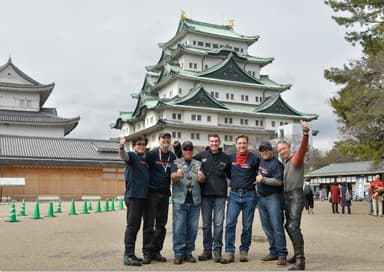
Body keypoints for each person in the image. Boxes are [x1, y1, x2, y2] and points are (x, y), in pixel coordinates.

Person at [142, 132, 180, 264]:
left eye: (168, 139)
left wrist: (178, 148)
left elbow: (180, 165)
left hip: (165, 194)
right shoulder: (152, 154)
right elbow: (142, 168)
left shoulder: (172, 156)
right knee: (148, 224)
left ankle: (156, 251)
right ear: (159, 140)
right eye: (163, 138)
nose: (166, 141)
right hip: (151, 193)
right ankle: (147, 252)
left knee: (161, 225)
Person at [276, 120, 309, 270]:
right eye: (279, 150)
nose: (282, 151)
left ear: (289, 148)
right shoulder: (285, 164)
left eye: (283, 148)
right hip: (287, 196)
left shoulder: (296, 159)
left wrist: (306, 133)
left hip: (296, 195)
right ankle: (297, 255)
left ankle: (300, 261)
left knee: (292, 225)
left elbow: (303, 148)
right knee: (289, 226)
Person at [221, 135, 259, 264]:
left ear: (247, 144)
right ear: (236, 145)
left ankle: (244, 251)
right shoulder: (230, 158)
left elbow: (260, 173)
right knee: (230, 223)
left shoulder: (254, 159)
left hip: (250, 195)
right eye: (239, 143)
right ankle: (229, 252)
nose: (241, 145)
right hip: (234, 196)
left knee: (247, 226)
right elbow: (227, 173)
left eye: (244, 143)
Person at [194, 135, 231, 263]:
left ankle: (217, 251)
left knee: (219, 224)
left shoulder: (226, 158)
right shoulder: (201, 156)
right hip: (205, 195)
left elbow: (232, 175)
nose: (214, 143)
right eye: (212, 141)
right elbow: (188, 160)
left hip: (220, 195)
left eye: (216, 141)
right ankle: (207, 251)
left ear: (219, 143)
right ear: (208, 143)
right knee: (206, 225)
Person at [170, 141, 206, 265]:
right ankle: (178, 253)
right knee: (179, 228)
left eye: (190, 148)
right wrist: (176, 175)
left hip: (195, 201)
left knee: (192, 228)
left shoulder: (198, 164)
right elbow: (172, 177)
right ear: (183, 150)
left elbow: (203, 178)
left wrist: (202, 178)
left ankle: (188, 252)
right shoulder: (176, 163)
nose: (188, 151)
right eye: (185, 149)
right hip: (180, 200)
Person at [255, 141, 287, 266]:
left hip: (274, 198)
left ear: (271, 150)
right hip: (261, 198)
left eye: (267, 150)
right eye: (262, 150)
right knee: (267, 227)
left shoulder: (277, 164)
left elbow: (279, 181)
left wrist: (263, 179)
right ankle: (273, 252)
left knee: (277, 226)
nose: (264, 152)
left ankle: (282, 254)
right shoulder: (260, 161)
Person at [119, 135, 149, 266]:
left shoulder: (145, 160)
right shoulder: (132, 155)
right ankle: (128, 255)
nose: (141, 146)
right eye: (138, 144)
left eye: (143, 144)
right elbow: (123, 156)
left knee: (136, 226)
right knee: (132, 226)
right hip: (133, 196)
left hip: (143, 197)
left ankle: (132, 254)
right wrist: (121, 147)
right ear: (134, 146)